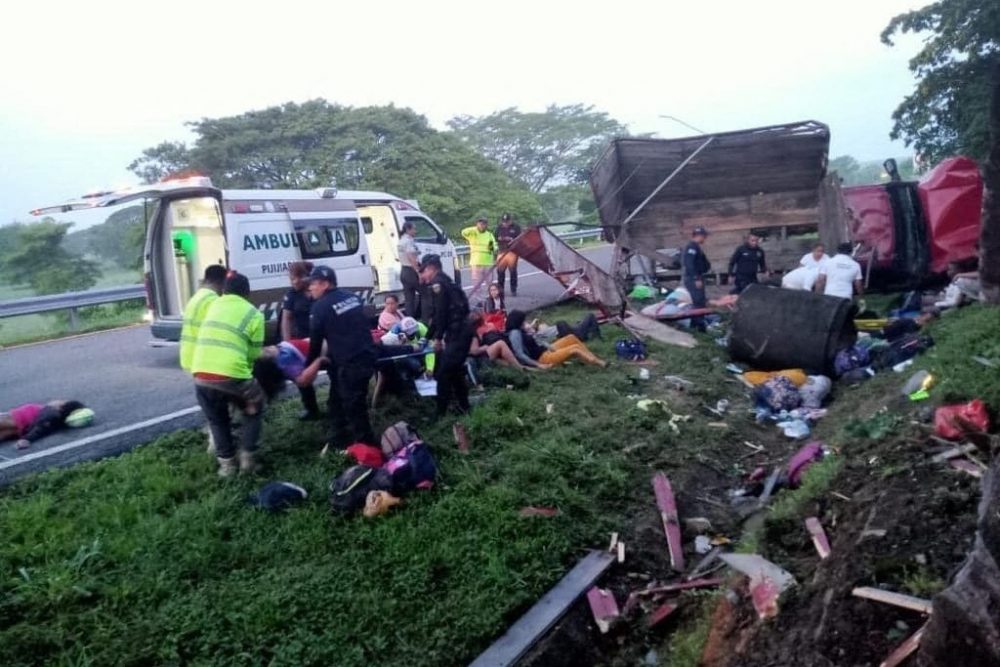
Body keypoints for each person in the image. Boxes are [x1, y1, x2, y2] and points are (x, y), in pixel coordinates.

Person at [190, 271, 266, 477]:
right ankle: (248, 458)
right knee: (255, 408)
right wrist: (248, 382)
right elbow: (254, 353)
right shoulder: (254, 314)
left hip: (200, 373)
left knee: (217, 420)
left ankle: (227, 466)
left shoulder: (213, 305)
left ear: (224, 290)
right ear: (247, 293)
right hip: (232, 375)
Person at [306, 265, 378, 449]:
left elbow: (315, 343)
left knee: (354, 407)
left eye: (313, 284)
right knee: (338, 399)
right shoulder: (352, 297)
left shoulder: (319, 307)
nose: (310, 288)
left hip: (351, 363)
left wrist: (308, 366)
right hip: (367, 356)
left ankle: (368, 449)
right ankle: (338, 437)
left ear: (325, 283)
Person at [419, 253, 473, 417]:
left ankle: (440, 414)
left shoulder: (438, 285)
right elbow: (437, 316)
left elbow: (440, 314)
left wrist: (436, 339)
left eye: (423, 271)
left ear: (431, 268)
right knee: (454, 371)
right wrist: (426, 338)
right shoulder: (446, 280)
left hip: (458, 333)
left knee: (443, 373)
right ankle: (464, 407)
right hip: (461, 331)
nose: (422, 276)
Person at [280, 261, 319, 420]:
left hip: (321, 339)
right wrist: (287, 343)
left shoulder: (317, 290)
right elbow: (286, 319)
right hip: (302, 341)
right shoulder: (291, 295)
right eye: (291, 278)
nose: (294, 281)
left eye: (297, 277)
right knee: (302, 375)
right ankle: (311, 409)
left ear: (307, 277)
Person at [505, 310, 606, 369]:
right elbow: (520, 354)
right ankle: (600, 363)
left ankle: (587, 358)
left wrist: (550, 347)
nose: (524, 323)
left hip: (546, 351)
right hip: (543, 358)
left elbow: (538, 341)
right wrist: (538, 365)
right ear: (517, 321)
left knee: (571, 338)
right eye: (523, 321)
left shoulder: (521, 331)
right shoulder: (515, 334)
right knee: (574, 348)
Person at [179, 264, 228, 372]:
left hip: (189, 357)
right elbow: (220, 333)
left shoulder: (196, 297)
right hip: (203, 360)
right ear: (221, 282)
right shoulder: (212, 301)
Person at [1, 400, 87, 450]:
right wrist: (27, 439)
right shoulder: (57, 420)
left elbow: (41, 427)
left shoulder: (52, 413)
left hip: (22, 417)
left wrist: (27, 439)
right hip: (24, 426)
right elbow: (42, 428)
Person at [461, 217, 497, 301]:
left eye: (484, 224)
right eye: (480, 223)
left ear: (486, 225)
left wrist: (492, 249)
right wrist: (475, 228)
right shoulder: (473, 233)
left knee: (490, 282)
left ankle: (490, 297)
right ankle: (478, 298)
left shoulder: (489, 234)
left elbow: (493, 246)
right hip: (476, 262)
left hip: (488, 261)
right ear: (477, 224)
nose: (482, 225)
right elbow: (463, 232)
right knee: (477, 282)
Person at [397, 220, 422, 317]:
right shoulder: (408, 241)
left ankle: (410, 319)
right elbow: (411, 256)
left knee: (409, 299)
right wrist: (418, 272)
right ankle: (424, 317)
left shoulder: (401, 241)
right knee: (425, 294)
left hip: (404, 270)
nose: (415, 231)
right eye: (414, 229)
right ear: (408, 229)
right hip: (411, 271)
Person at [494, 213, 522, 296]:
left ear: (510, 220)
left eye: (507, 221)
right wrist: (499, 239)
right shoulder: (499, 227)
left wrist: (511, 239)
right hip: (501, 250)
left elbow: (520, 238)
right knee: (500, 271)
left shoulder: (516, 227)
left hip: (512, 251)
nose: (505, 223)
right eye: (504, 221)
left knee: (512, 271)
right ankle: (500, 289)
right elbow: (494, 237)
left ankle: (513, 289)